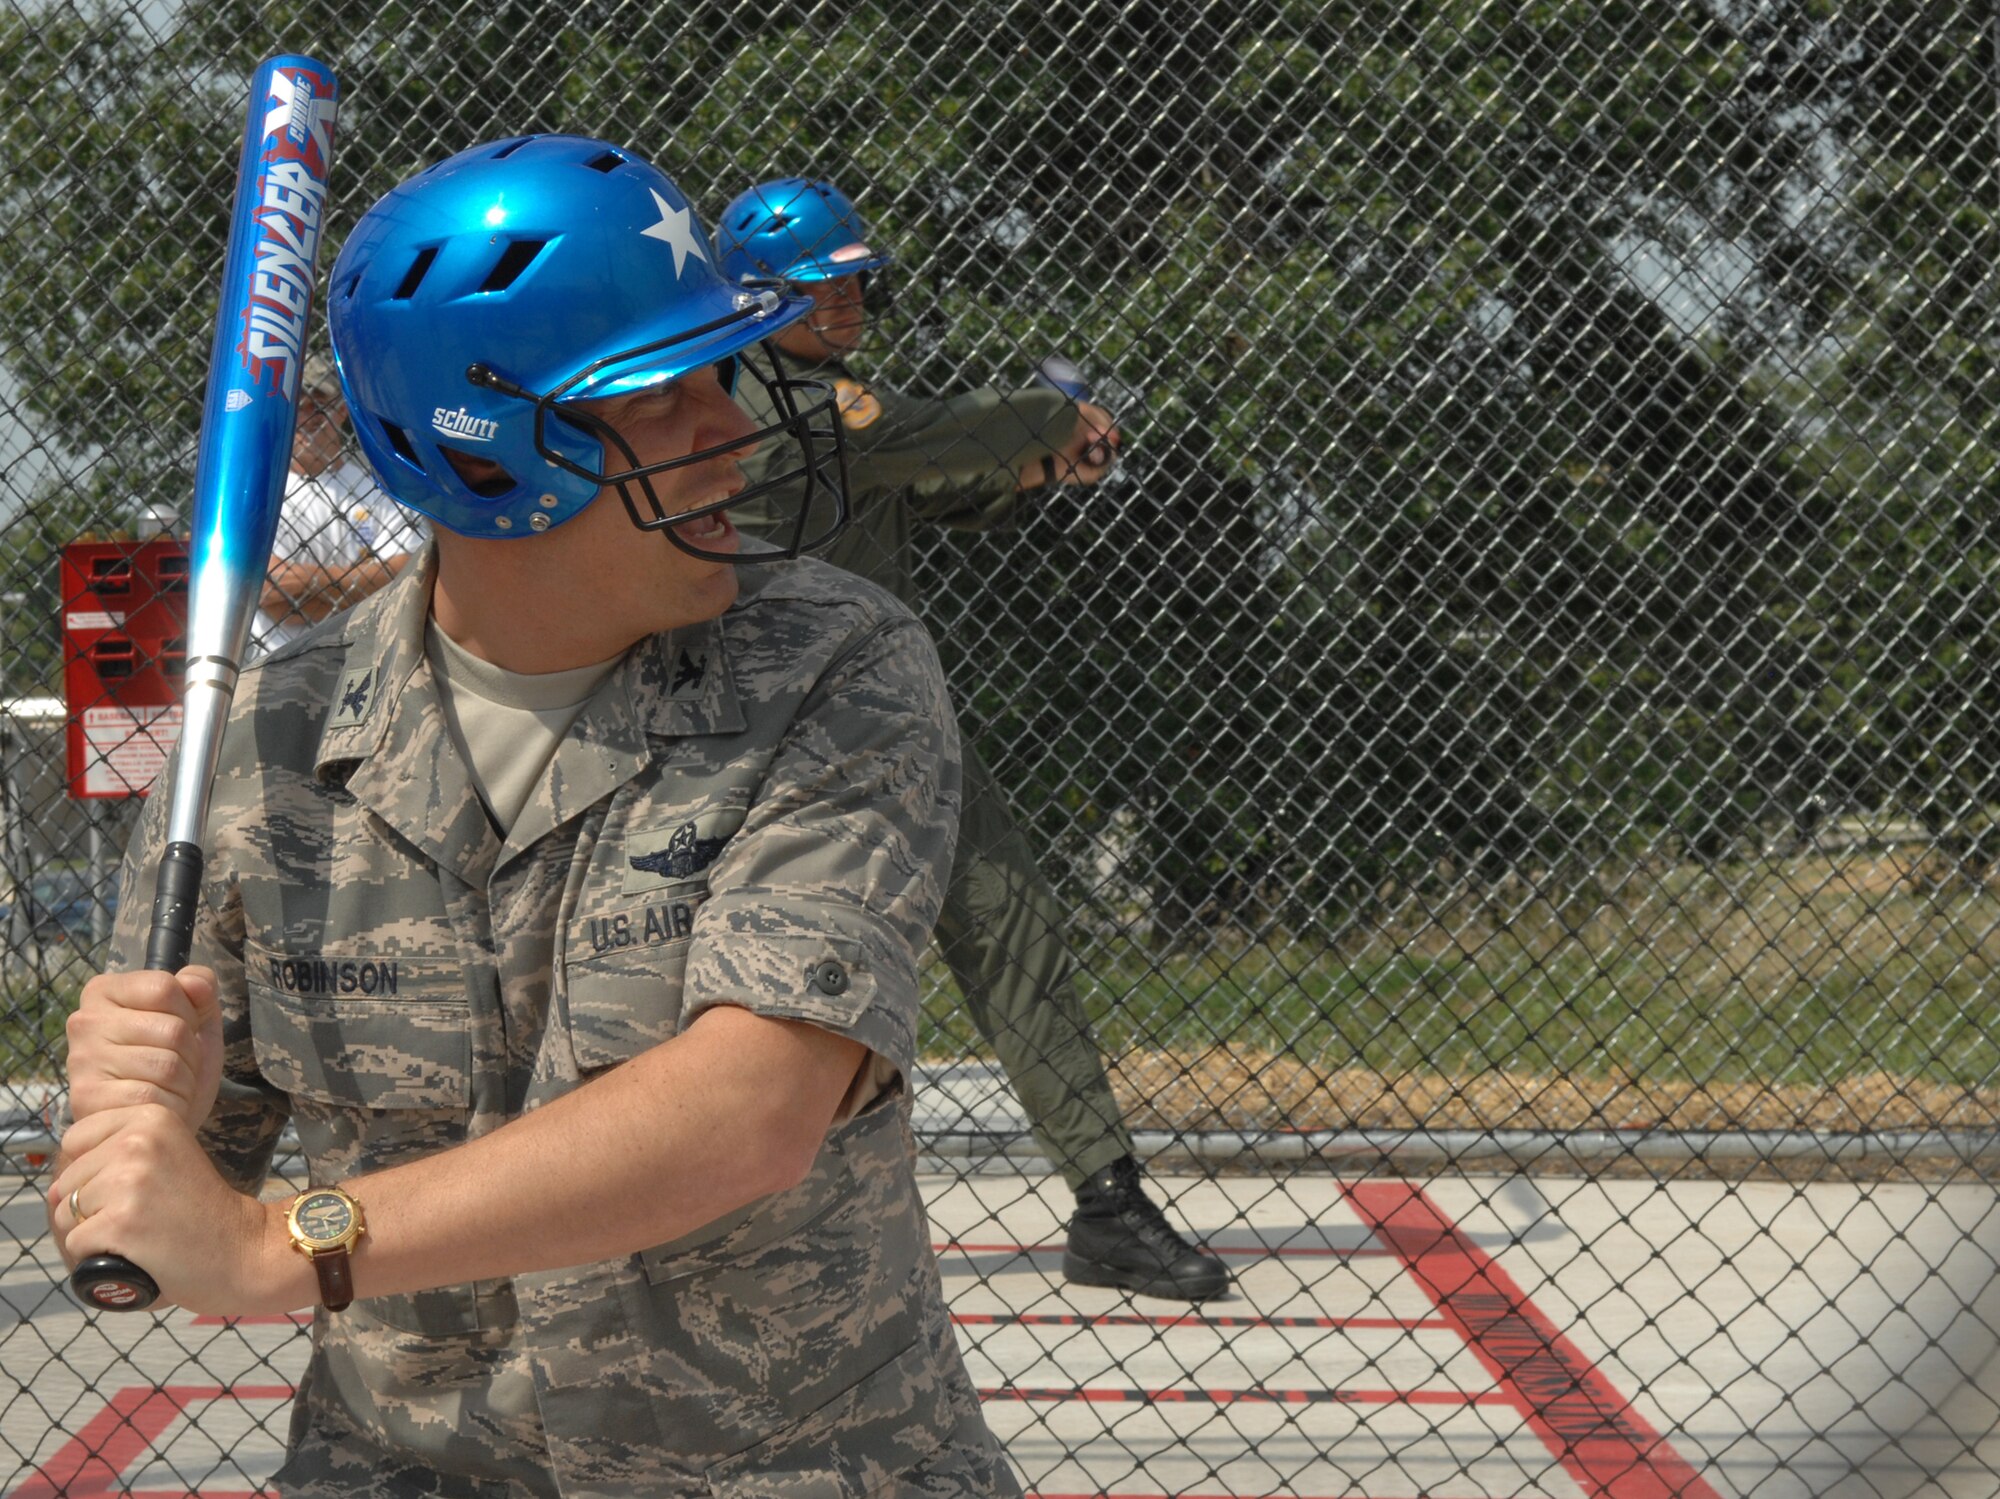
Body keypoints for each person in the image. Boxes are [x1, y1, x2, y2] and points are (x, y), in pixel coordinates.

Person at [50, 136, 1022, 1497]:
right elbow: (161, 1224)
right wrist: (137, 1121)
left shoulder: (834, 665)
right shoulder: (265, 747)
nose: (732, 427)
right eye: (664, 394)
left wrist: (292, 1242)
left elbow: (748, 1109)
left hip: (798, 1467)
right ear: (491, 452)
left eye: (721, 374)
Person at [716, 177, 1229, 1303]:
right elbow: (914, 441)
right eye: (825, 285)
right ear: (762, 296)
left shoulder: (826, 394)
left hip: (885, 711)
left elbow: (923, 487)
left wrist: (1044, 468)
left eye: (859, 281)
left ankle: (1106, 1201)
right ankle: (698, 1200)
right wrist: (1049, 418)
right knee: (759, 976)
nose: (852, 299)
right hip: (756, 738)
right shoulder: (747, 398)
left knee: (1007, 924)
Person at [254, 352, 428, 654]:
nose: (308, 414)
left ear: (341, 410)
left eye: (319, 404)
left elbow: (406, 576)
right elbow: (266, 592)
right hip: (278, 664)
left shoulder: (379, 489)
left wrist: (306, 582)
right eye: (299, 404)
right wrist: (364, 585)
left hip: (360, 661)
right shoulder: (260, 491)